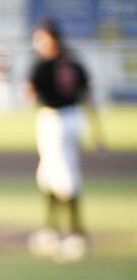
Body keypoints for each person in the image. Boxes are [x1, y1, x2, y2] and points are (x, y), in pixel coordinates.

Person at [21, 17, 106, 262]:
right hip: (74, 118)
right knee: (49, 174)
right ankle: (50, 230)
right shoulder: (74, 63)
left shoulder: (42, 65)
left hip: (54, 120)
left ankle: (76, 233)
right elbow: (87, 97)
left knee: (64, 176)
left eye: (40, 37)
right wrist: (98, 132)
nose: (37, 42)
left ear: (51, 38)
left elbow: (29, 96)